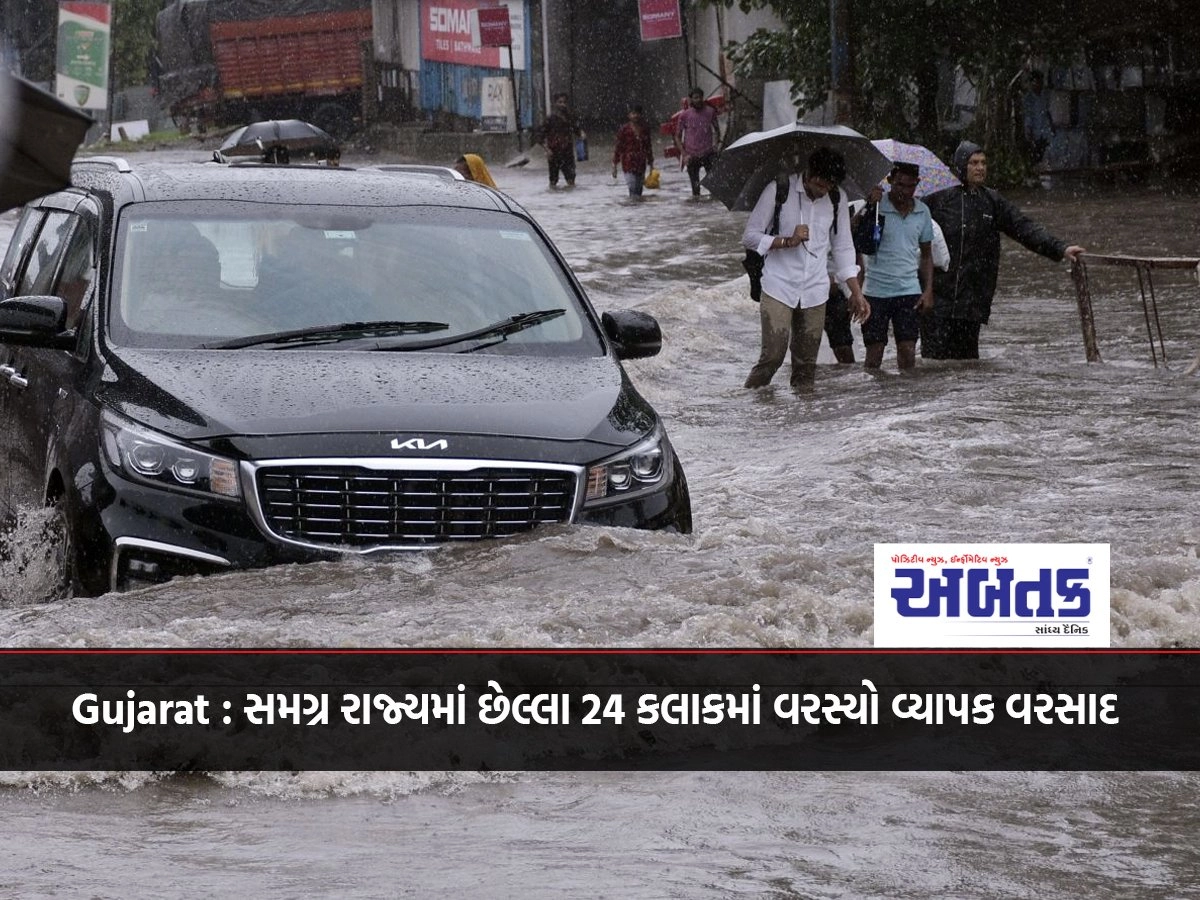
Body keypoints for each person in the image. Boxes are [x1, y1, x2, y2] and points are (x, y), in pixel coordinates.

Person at [921, 140, 1085, 360]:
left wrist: (1060, 248)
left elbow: (1023, 227)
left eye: (983, 163)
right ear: (961, 166)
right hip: (938, 299)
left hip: (972, 302)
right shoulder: (938, 199)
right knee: (934, 365)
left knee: (968, 368)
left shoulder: (991, 201)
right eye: (974, 163)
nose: (980, 168)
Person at [742, 146, 870, 391]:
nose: (824, 191)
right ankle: (750, 410)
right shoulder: (779, 190)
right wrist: (785, 241)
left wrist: (856, 292)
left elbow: (843, 246)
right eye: (821, 185)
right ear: (809, 173)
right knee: (773, 357)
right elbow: (750, 236)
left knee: (806, 365)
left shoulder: (837, 198)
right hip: (778, 284)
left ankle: (803, 421)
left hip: (815, 288)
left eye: (829, 186)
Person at [858, 162, 934, 371]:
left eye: (910, 186)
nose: (904, 191)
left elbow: (927, 255)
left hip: (909, 291)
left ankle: (906, 400)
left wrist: (928, 291)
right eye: (899, 185)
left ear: (917, 184)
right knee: (874, 353)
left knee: (908, 352)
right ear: (890, 181)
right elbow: (852, 235)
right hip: (875, 292)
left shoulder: (923, 211)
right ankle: (874, 400)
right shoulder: (876, 206)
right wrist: (869, 204)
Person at [674, 87, 721, 198]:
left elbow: (717, 131)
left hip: (708, 153)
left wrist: (715, 146)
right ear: (690, 100)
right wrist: (684, 154)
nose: (698, 100)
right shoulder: (684, 116)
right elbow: (677, 136)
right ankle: (697, 212)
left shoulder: (710, 112)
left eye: (700, 97)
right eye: (695, 98)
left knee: (713, 187)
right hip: (692, 155)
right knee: (695, 190)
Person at [538, 93, 585, 189]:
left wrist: (582, 135)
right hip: (554, 154)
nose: (562, 104)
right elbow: (539, 137)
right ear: (555, 104)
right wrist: (547, 150)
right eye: (560, 102)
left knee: (571, 179)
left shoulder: (570, 118)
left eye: (564, 102)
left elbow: (578, 131)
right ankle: (555, 200)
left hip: (567, 153)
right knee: (553, 181)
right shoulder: (550, 119)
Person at [611, 105, 654, 200]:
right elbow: (618, 147)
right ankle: (633, 209)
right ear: (629, 115)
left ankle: (636, 211)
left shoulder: (645, 129)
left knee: (639, 189)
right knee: (632, 187)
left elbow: (648, 147)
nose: (635, 116)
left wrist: (651, 163)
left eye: (637, 113)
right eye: (633, 113)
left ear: (641, 115)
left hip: (641, 163)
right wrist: (614, 165)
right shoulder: (624, 130)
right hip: (628, 164)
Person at [1022, 70, 1055, 167]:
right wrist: (1029, 133)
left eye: (1040, 82)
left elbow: (1048, 112)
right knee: (1036, 159)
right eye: (1036, 82)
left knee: (1048, 158)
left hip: (1046, 132)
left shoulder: (1046, 95)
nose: (1038, 85)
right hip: (1035, 133)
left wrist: (1052, 127)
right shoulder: (1028, 98)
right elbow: (1028, 117)